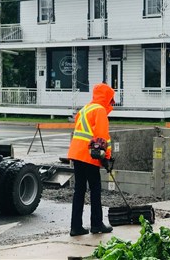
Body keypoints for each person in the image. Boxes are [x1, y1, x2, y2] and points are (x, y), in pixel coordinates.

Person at [67, 83, 115, 237]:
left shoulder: (84, 109)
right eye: (111, 99)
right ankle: (96, 224)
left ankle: (76, 227)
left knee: (79, 190)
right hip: (89, 155)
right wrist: (106, 158)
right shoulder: (99, 111)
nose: (112, 103)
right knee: (95, 189)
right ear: (106, 97)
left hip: (76, 154)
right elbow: (101, 138)